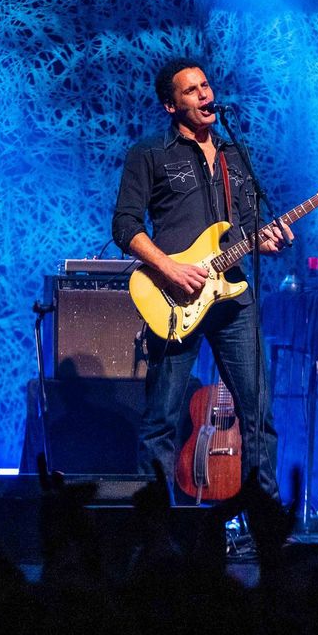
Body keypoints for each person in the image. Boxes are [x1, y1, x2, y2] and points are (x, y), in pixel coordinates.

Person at [111, 58, 291, 498]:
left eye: (205, 86)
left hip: (233, 296)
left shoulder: (236, 155)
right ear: (170, 106)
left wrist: (265, 240)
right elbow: (124, 226)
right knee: (162, 419)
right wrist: (168, 268)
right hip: (176, 297)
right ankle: (157, 530)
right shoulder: (150, 153)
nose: (204, 95)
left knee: (258, 416)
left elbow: (247, 225)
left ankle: (262, 522)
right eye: (191, 91)